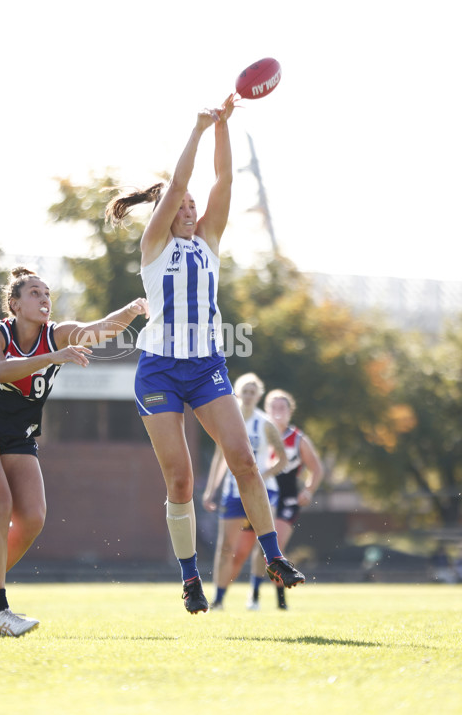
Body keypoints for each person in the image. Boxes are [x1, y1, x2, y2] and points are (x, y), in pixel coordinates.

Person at [105, 95, 305, 614]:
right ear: (168, 216)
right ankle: (190, 579)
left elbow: (224, 182)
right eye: (183, 207)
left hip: (207, 367)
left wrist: (222, 127)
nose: (191, 209)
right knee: (182, 479)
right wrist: (195, 130)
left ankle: (275, 557)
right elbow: (177, 186)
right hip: (159, 371)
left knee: (244, 459)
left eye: (195, 206)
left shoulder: (209, 241)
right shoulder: (155, 247)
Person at [0, 266, 148, 637]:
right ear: (14, 304)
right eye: (35, 293)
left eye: (47, 294)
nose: (44, 300)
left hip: (16, 431)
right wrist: (53, 358)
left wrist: (131, 309)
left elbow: (101, 329)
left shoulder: (58, 335)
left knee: (33, 518)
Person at [202, 373, 287, 610]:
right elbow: (220, 458)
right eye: (245, 391)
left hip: (264, 493)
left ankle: (256, 595)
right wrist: (211, 490)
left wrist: (262, 476)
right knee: (226, 546)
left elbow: (282, 459)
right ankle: (218, 599)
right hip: (233, 493)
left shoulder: (266, 423)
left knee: (264, 546)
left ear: (259, 395)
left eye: (253, 392)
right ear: (237, 393)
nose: (249, 396)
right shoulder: (228, 421)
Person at [256, 388, 324, 610]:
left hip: (287, 497)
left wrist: (308, 490)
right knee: (258, 548)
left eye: (282, 407)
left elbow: (316, 469)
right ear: (266, 410)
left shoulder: (297, 439)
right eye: (273, 407)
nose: (277, 411)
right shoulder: (259, 434)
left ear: (290, 411)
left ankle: (280, 601)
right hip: (263, 494)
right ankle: (254, 594)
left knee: (277, 545)